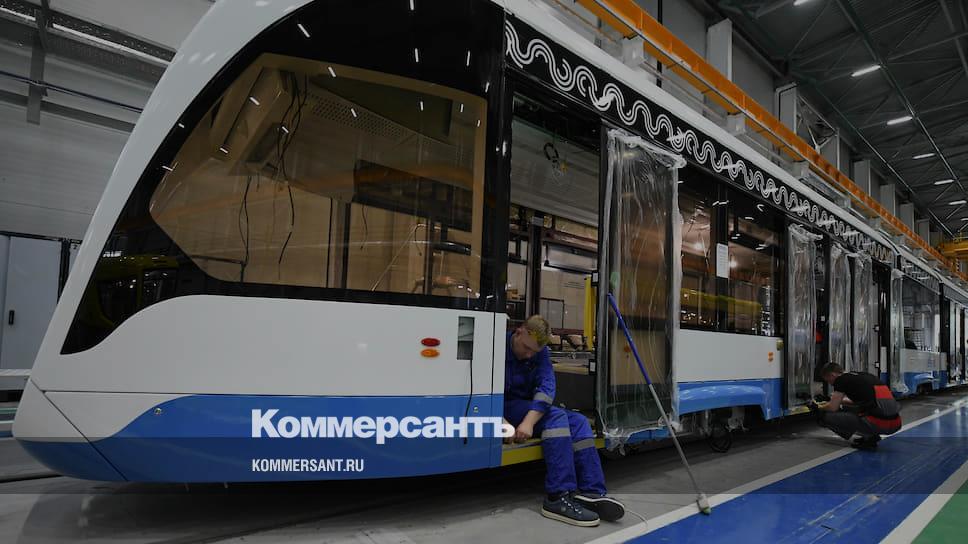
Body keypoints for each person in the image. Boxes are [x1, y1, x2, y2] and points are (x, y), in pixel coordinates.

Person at [503, 315, 624, 527]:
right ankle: (557, 496)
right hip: (501, 406)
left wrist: (529, 422)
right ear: (519, 331)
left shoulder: (539, 352)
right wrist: (503, 422)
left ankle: (592, 491)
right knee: (556, 417)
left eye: (534, 352)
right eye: (526, 348)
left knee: (579, 422)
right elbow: (481, 391)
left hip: (526, 408)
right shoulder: (496, 346)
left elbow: (547, 387)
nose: (529, 355)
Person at [809, 363, 902, 450]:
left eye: (828, 380)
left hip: (880, 424)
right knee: (853, 410)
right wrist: (838, 400)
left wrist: (818, 407)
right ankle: (869, 436)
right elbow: (863, 402)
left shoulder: (840, 380)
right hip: (895, 423)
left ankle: (869, 436)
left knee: (823, 416)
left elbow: (833, 408)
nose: (830, 383)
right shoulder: (864, 376)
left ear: (832, 375)